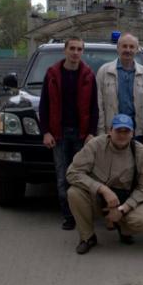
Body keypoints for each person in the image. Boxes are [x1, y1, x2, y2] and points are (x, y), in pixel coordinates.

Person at [66, 114, 143, 255]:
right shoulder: (95, 145)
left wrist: (123, 209)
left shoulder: (142, 153)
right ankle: (87, 237)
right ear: (110, 131)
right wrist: (102, 189)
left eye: (126, 131)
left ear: (132, 133)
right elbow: (72, 173)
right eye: (118, 131)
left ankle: (123, 229)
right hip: (97, 196)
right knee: (74, 192)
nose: (122, 135)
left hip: (124, 199)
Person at [39, 36, 98, 231]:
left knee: (82, 175)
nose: (75, 52)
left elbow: (94, 107)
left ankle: (83, 213)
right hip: (59, 134)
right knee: (62, 176)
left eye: (79, 49)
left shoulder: (89, 75)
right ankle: (68, 216)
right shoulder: (53, 74)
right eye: (72, 48)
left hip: (82, 135)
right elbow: (44, 105)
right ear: (65, 50)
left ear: (83, 52)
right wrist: (46, 131)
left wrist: (91, 132)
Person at [96, 33, 143, 143]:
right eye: (124, 46)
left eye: (132, 47)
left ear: (137, 49)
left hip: (137, 134)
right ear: (118, 48)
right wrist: (101, 132)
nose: (128, 50)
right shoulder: (104, 71)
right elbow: (99, 104)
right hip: (111, 132)